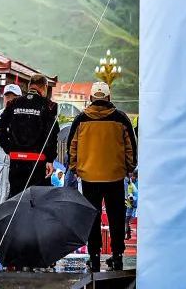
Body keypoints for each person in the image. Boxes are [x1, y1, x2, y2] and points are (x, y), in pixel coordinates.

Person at [67, 81, 137, 273]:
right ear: (108, 97)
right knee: (116, 217)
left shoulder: (81, 119)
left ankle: (94, 256)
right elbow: (131, 148)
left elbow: (72, 147)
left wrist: (75, 168)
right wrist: (129, 167)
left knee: (92, 217)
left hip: (89, 178)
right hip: (115, 176)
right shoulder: (121, 119)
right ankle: (117, 255)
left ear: (91, 98)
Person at [0, 75, 60, 198]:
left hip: (16, 162)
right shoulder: (49, 106)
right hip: (38, 162)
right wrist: (50, 159)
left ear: (30, 86)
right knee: (38, 200)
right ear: (45, 87)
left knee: (17, 198)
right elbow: (51, 134)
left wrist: (10, 149)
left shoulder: (14, 103)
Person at [0, 84, 22, 209]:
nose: (10, 100)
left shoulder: (24, 118)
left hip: (18, 167)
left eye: (14, 97)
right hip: (0, 166)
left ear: (20, 98)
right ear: (3, 98)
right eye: (7, 96)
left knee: (17, 206)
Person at [124, 171, 138, 240]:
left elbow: (136, 196)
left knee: (126, 220)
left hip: (129, 206)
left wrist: (132, 199)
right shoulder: (126, 184)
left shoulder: (132, 185)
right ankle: (128, 234)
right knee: (126, 221)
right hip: (125, 205)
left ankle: (126, 234)